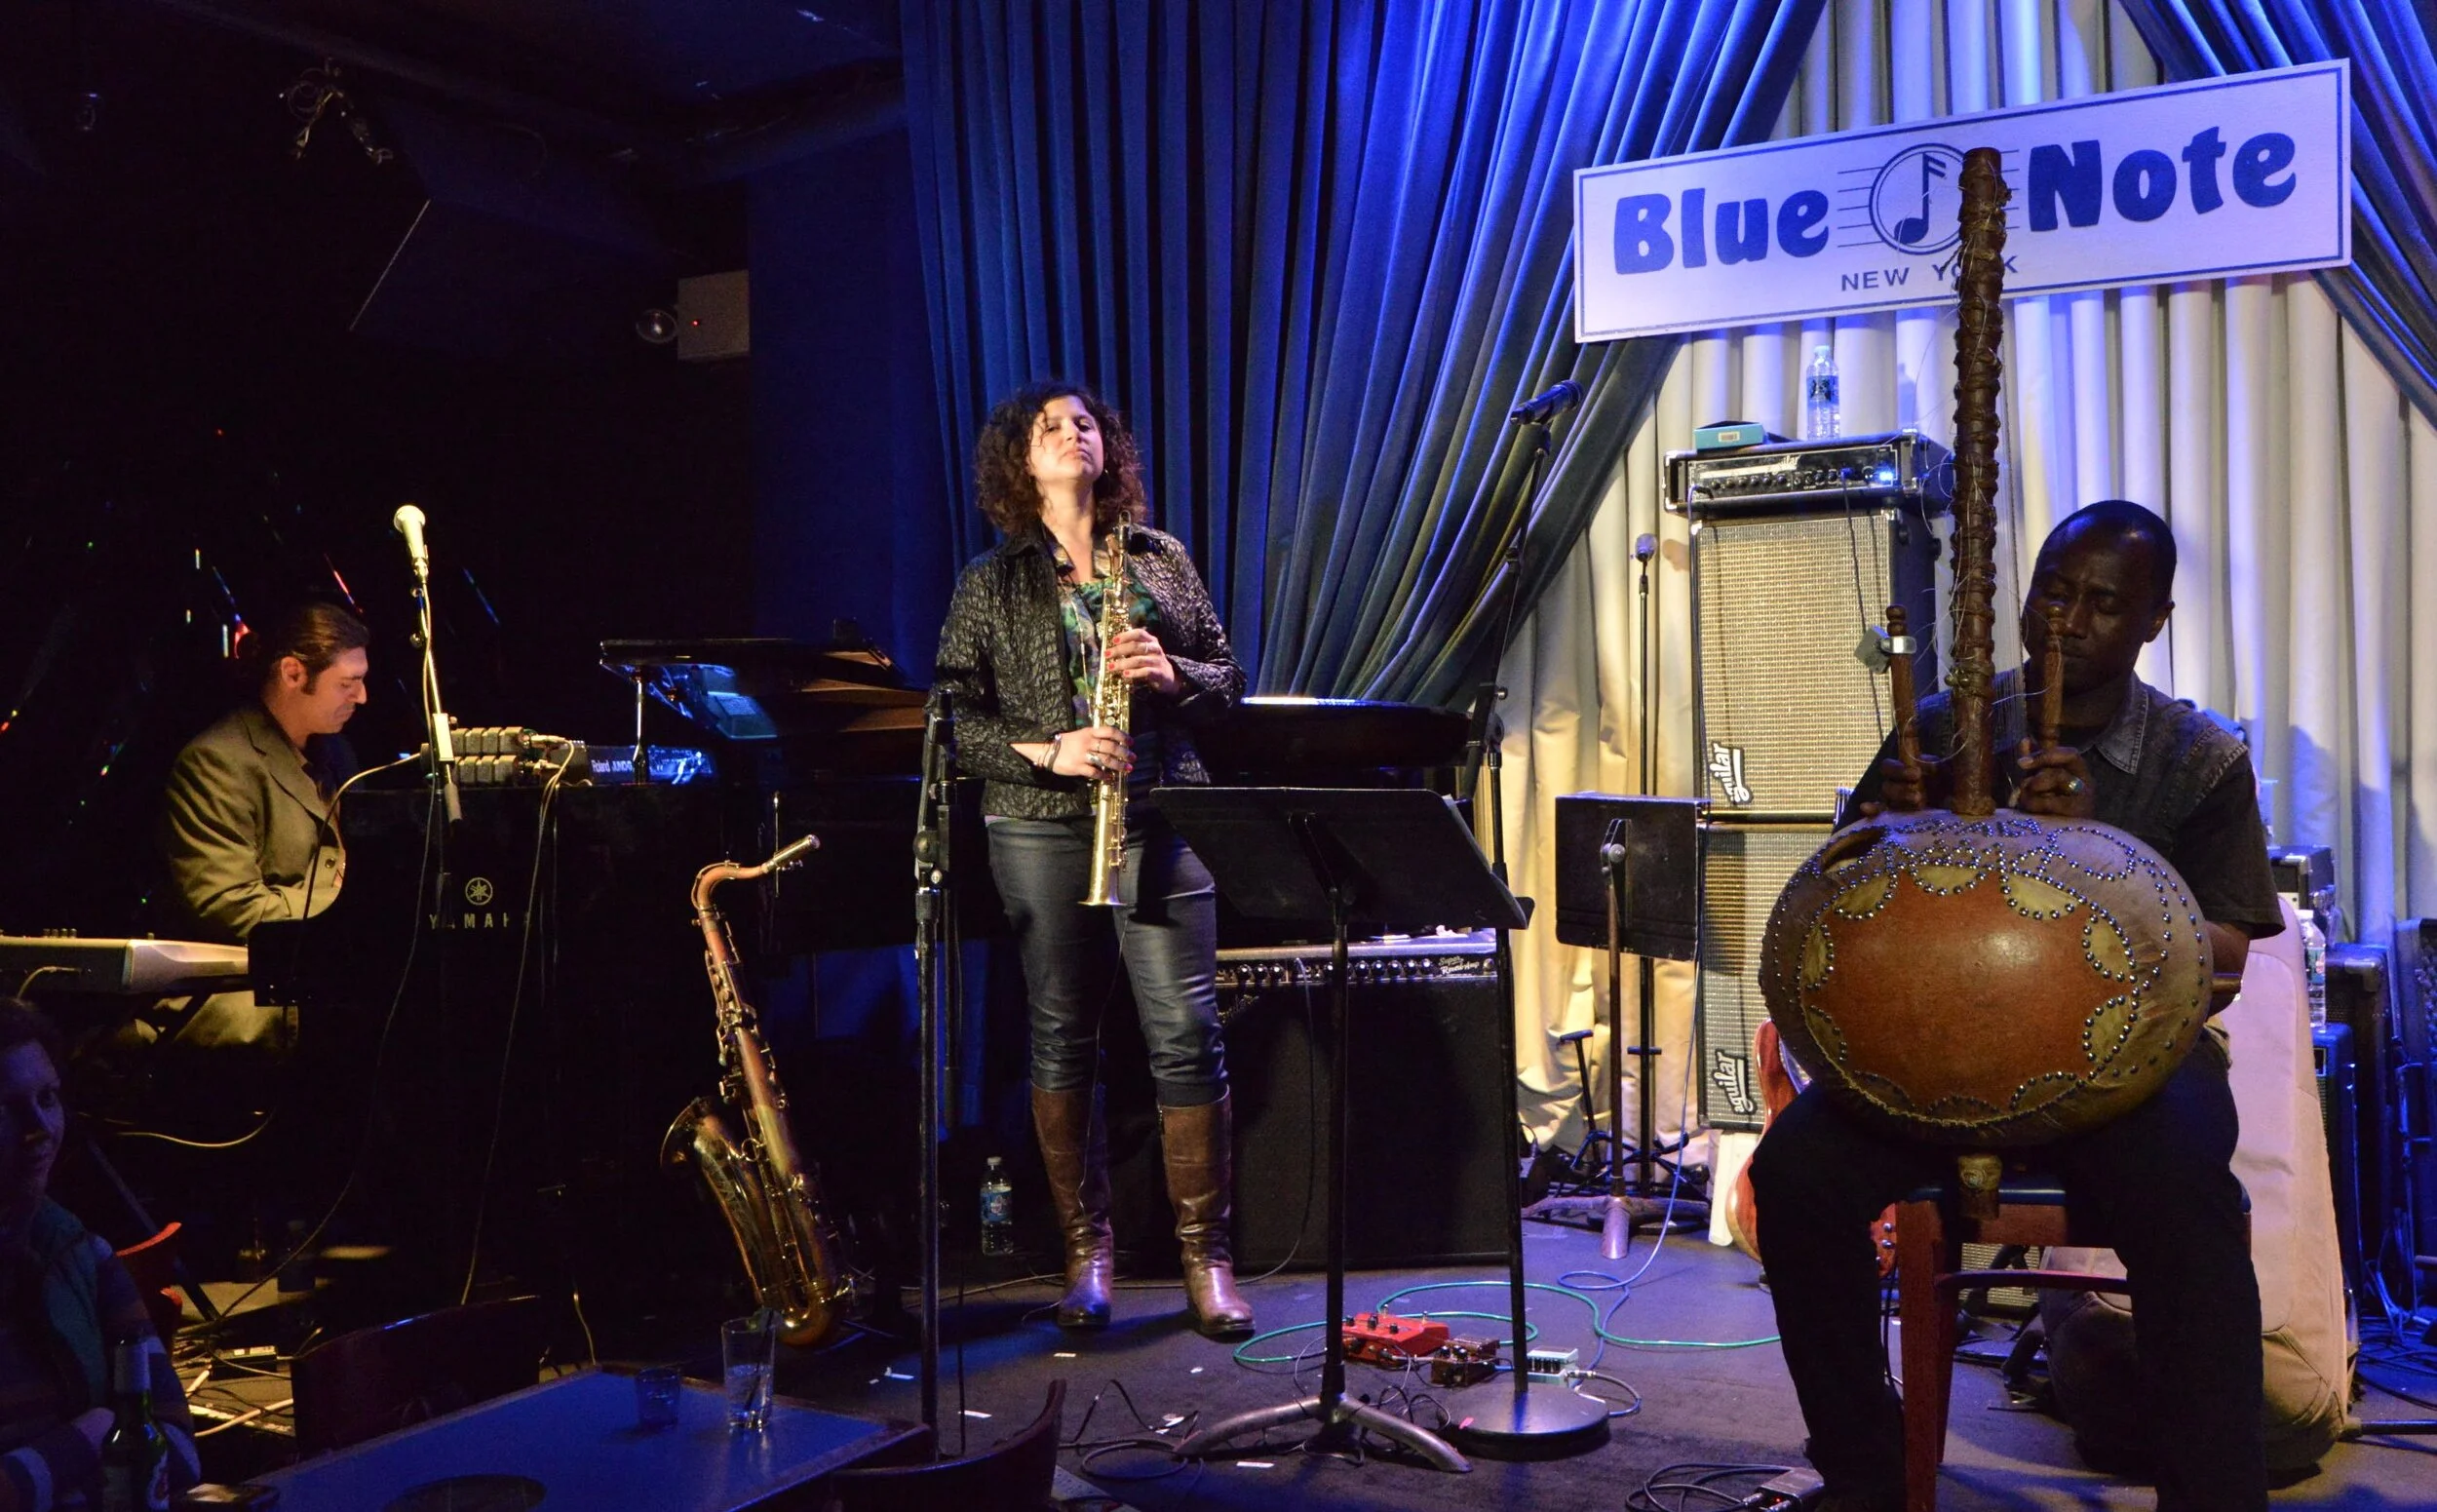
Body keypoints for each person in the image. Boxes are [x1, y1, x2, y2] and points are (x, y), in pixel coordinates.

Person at [1748, 501, 2284, 1512]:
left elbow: (2224, 955)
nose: (2066, 621)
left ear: (2154, 622)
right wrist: (1890, 831)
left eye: (2102, 604)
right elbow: (1838, 889)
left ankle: (2213, 1497)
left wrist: (2101, 849)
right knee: (1796, 1173)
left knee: (2188, 1203)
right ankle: (1864, 1475)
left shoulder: (2198, 758)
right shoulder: (1947, 722)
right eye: (2053, 591)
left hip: (2127, 1063)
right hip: (1939, 1050)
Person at [933, 379, 1252, 1338]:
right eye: (1049, 427)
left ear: (1106, 448)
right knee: (1062, 1035)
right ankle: (1087, 1254)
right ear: (1020, 463)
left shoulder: (1159, 558)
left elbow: (1229, 682)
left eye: (1084, 423)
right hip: (1039, 822)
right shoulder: (991, 581)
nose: (1070, 434)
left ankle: (1206, 1259)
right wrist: (1050, 750)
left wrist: (1174, 674)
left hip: (1160, 813)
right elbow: (950, 720)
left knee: (1186, 1034)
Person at [0, 997, 200, 1509]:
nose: (39, 1128)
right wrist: (95, 1431)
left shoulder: (84, 1256)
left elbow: (178, 1452)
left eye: (48, 1098)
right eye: (6, 1108)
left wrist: (42, 1480)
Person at [160, 600, 370, 945]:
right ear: (292, 673)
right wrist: (348, 904)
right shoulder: (215, 762)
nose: (361, 696)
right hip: (250, 970)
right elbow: (230, 907)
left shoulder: (338, 752)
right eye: (348, 683)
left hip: (323, 956)